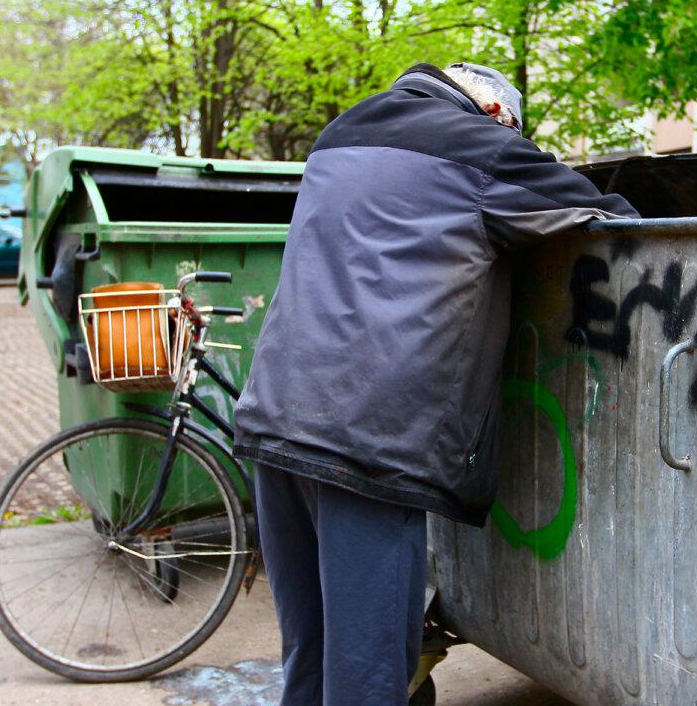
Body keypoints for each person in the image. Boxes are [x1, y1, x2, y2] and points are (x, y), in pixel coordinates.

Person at [233, 61, 638, 705]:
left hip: (274, 419)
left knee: (308, 658)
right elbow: (614, 217)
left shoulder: (342, 131)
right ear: (498, 114)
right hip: (369, 446)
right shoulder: (485, 149)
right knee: (368, 672)